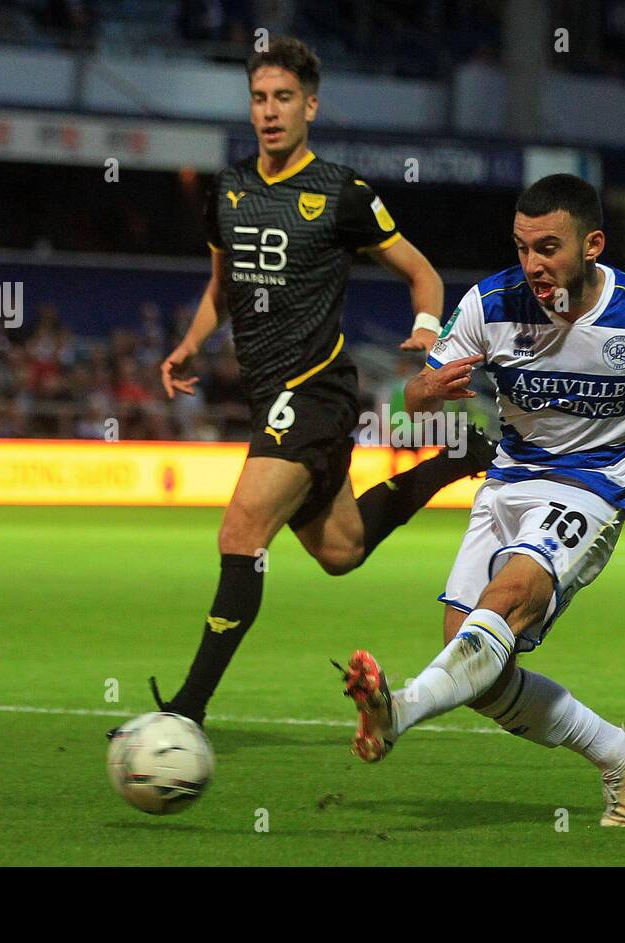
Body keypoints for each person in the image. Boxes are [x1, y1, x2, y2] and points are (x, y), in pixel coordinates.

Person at [339, 174, 625, 826]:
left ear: (592, 245)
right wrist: (428, 391)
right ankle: (619, 753)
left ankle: (400, 710)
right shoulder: (490, 301)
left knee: (507, 600)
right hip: (509, 482)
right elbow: (416, 391)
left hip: (593, 488)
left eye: (548, 247)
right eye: (522, 246)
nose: (532, 263)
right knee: (476, 667)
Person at [144, 37, 493, 729]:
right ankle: (458, 459)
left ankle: (188, 711)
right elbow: (223, 288)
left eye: (282, 99)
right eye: (258, 99)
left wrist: (427, 329)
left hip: (315, 390)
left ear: (310, 105)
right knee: (341, 551)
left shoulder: (341, 193)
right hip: (267, 397)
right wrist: (189, 344)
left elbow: (424, 274)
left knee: (240, 532)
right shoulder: (228, 192)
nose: (269, 112)